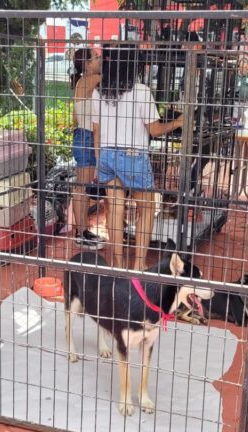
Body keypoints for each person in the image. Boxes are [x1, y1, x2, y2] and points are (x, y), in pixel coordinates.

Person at [91, 45, 184, 270]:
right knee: (147, 207)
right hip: (132, 155)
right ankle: (139, 265)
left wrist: (98, 162)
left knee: (115, 209)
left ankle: (118, 263)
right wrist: (179, 122)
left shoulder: (98, 91)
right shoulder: (141, 91)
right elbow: (155, 130)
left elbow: (96, 131)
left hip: (105, 155)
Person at [69, 48, 108, 250]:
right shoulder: (89, 80)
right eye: (95, 57)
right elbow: (112, 75)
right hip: (85, 137)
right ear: (86, 64)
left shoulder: (83, 83)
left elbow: (77, 116)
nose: (99, 59)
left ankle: (83, 230)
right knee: (81, 187)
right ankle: (80, 232)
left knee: (82, 186)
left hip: (83, 135)